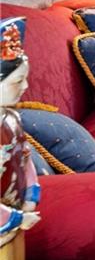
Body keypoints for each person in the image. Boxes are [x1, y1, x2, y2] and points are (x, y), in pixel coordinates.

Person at [0, 17, 41, 245]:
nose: (25, 86)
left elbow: (25, 159)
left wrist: (30, 195)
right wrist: (15, 218)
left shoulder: (12, 119)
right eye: (18, 80)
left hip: (14, 215)